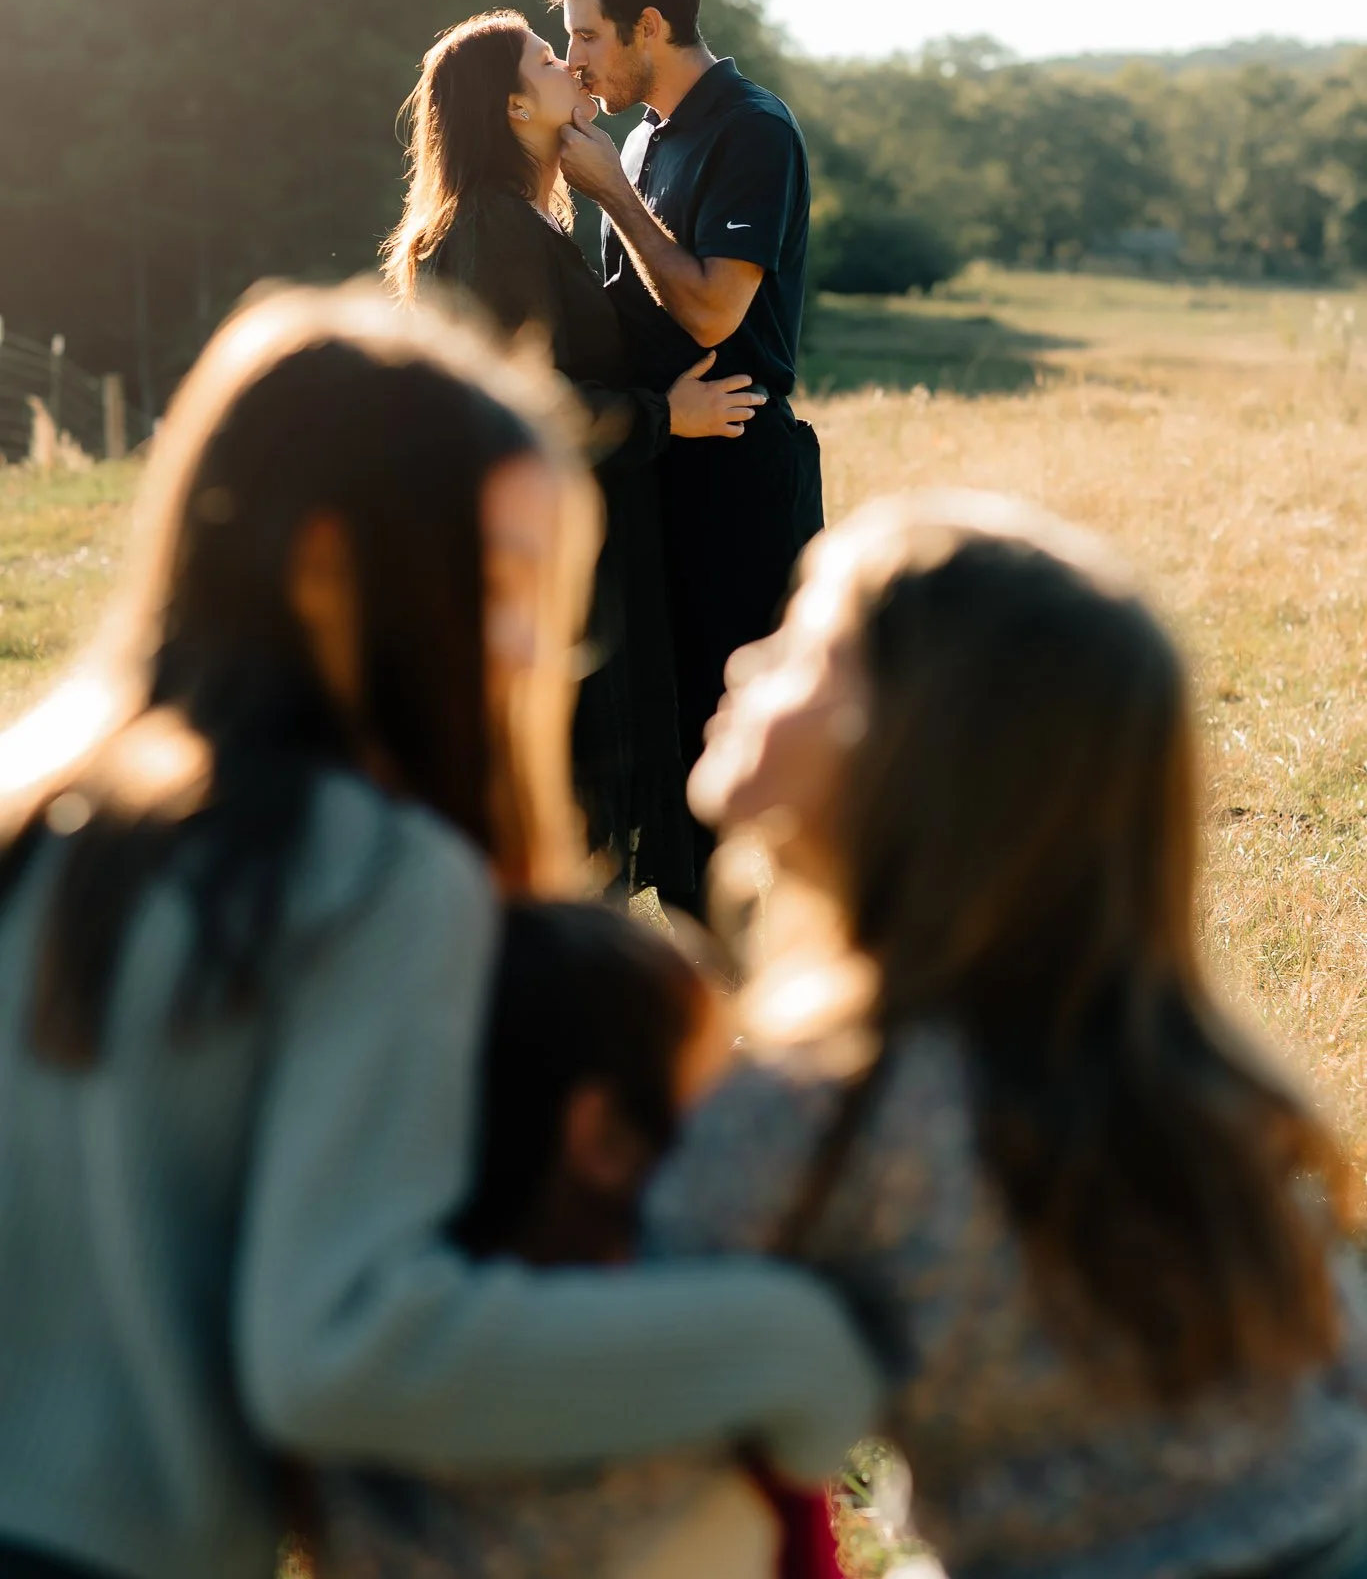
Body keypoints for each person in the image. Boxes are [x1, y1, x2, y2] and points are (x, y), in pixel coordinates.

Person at [0, 283, 878, 1579]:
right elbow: (346, 1351)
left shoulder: (40, 807)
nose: (532, 647)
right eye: (499, 582)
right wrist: (785, 1344)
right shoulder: (369, 870)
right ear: (319, 568)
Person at [650, 489, 1367, 1579]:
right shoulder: (1188, 1079)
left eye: (809, 643)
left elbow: (608, 1326)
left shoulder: (832, 1109)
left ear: (917, 757)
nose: (747, 660)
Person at [321, 899, 843, 1579]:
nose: (741, 1137)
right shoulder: (728, 1375)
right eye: (718, 1100)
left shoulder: (366, 1411)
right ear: (604, 1138)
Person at [382, 10, 763, 910]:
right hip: (545, 569)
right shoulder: (489, 231)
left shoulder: (518, 223)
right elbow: (516, 408)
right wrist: (665, 417)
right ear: (516, 105)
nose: (573, 68)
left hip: (573, 552)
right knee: (571, 810)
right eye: (551, 59)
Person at [546, 0, 822, 888]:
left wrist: (613, 195)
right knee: (666, 735)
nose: (575, 60)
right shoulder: (646, 133)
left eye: (585, 37)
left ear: (649, 25)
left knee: (740, 733)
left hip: (740, 473)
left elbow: (710, 305)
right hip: (667, 461)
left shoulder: (752, 128)